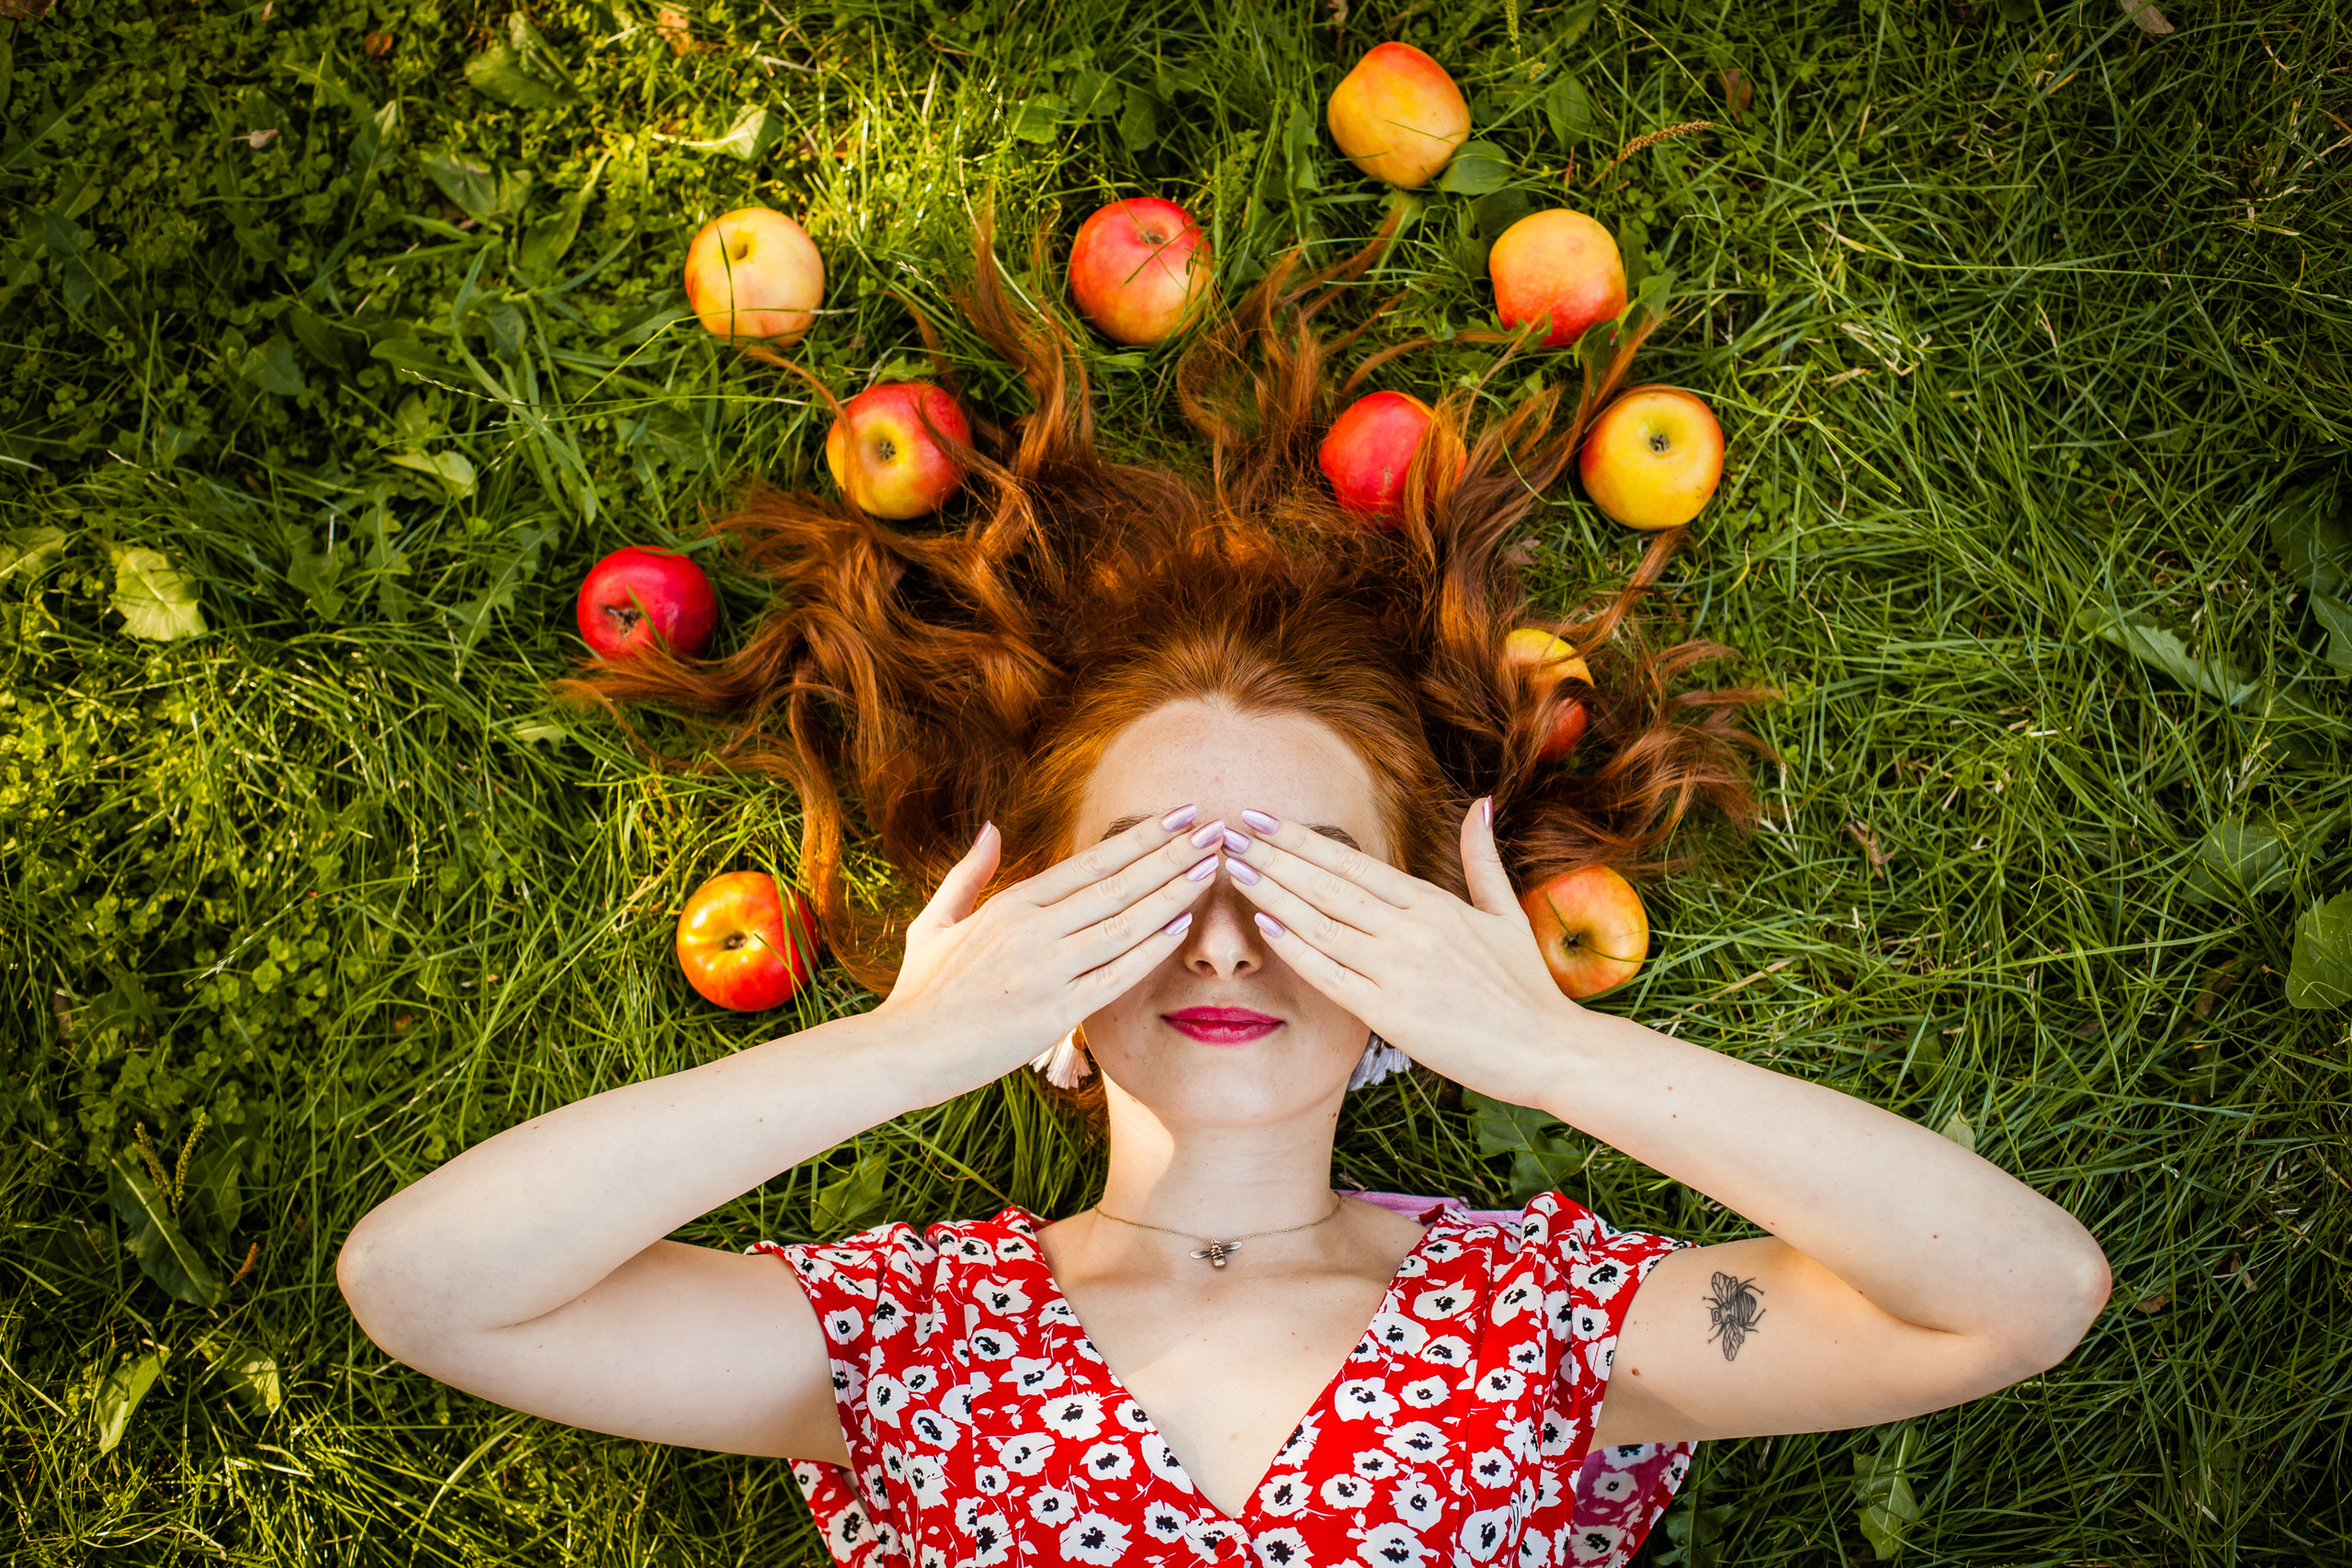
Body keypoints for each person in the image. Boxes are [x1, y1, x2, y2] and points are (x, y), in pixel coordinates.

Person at [335, 224, 2112, 1568]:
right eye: (1141, 876)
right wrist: (900, 1049)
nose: (1224, 935)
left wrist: (1553, 1055)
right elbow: (430, 1288)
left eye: (1315, 885)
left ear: (1424, 950)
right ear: (1034, 940)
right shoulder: (894, 1333)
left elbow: (2017, 1296)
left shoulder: (1557, 1323)